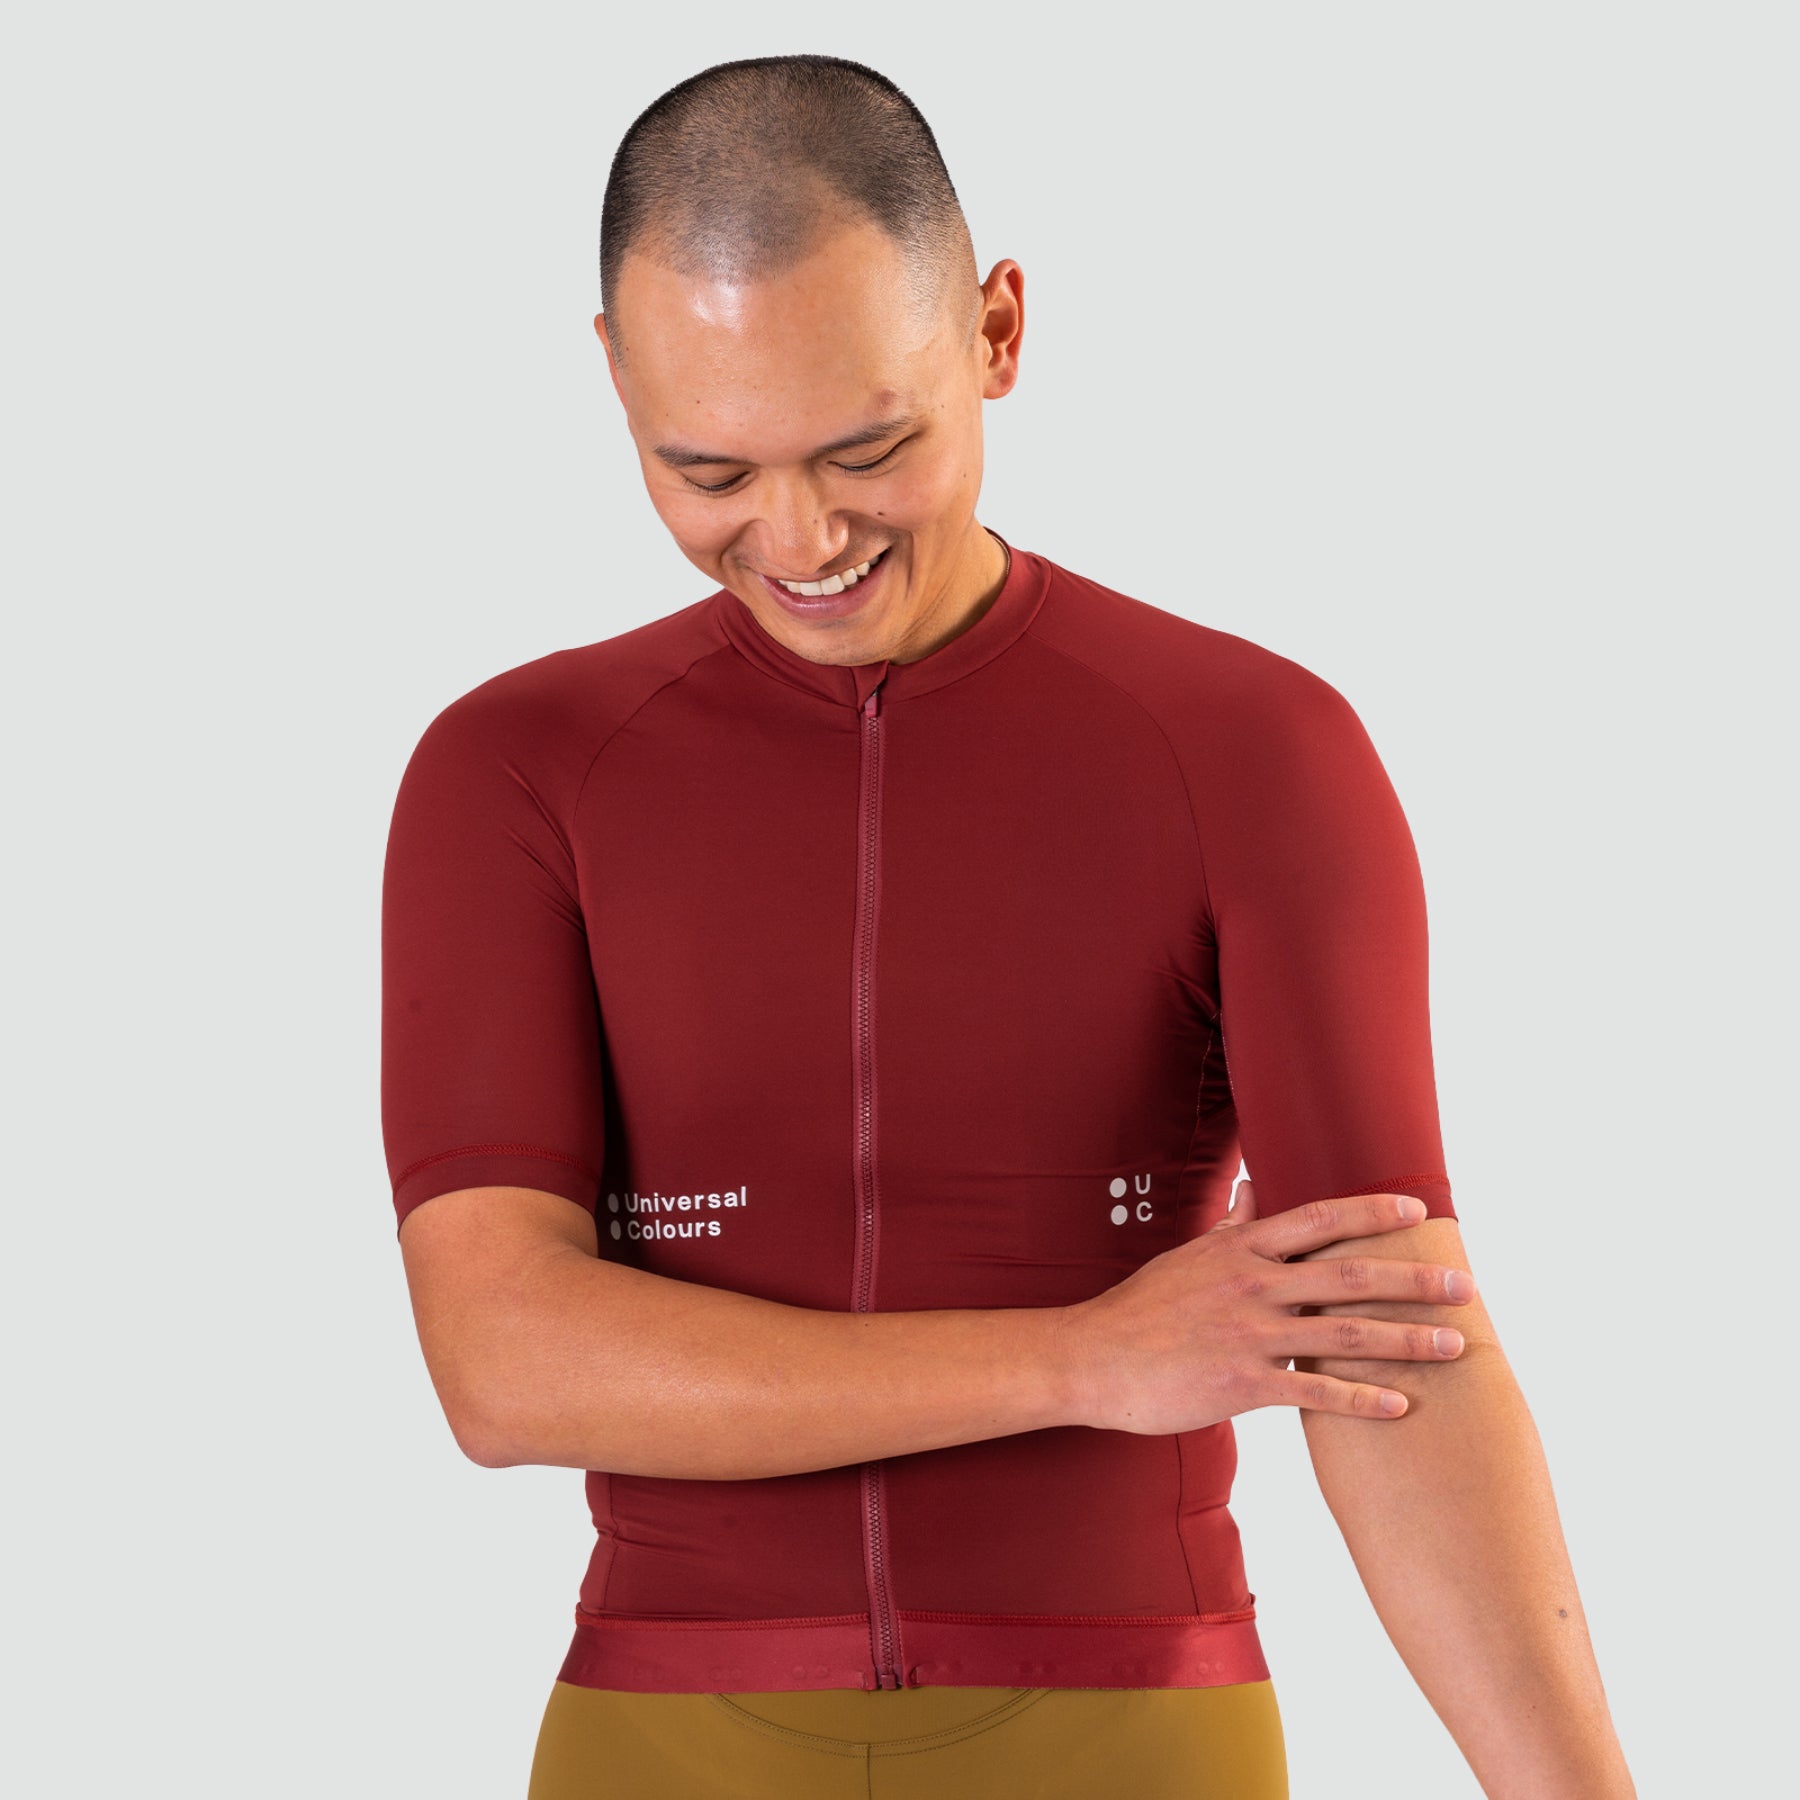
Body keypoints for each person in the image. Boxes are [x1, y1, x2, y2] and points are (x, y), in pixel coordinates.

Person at [380, 53, 1635, 1799]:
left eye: (868, 448)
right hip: (662, 1733)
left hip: (1140, 1732)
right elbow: (505, 1364)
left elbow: (1392, 1340)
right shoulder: (517, 771)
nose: (801, 536)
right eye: (706, 469)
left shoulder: (1248, 747)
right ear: (615, 374)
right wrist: (1084, 1358)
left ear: (996, 331)